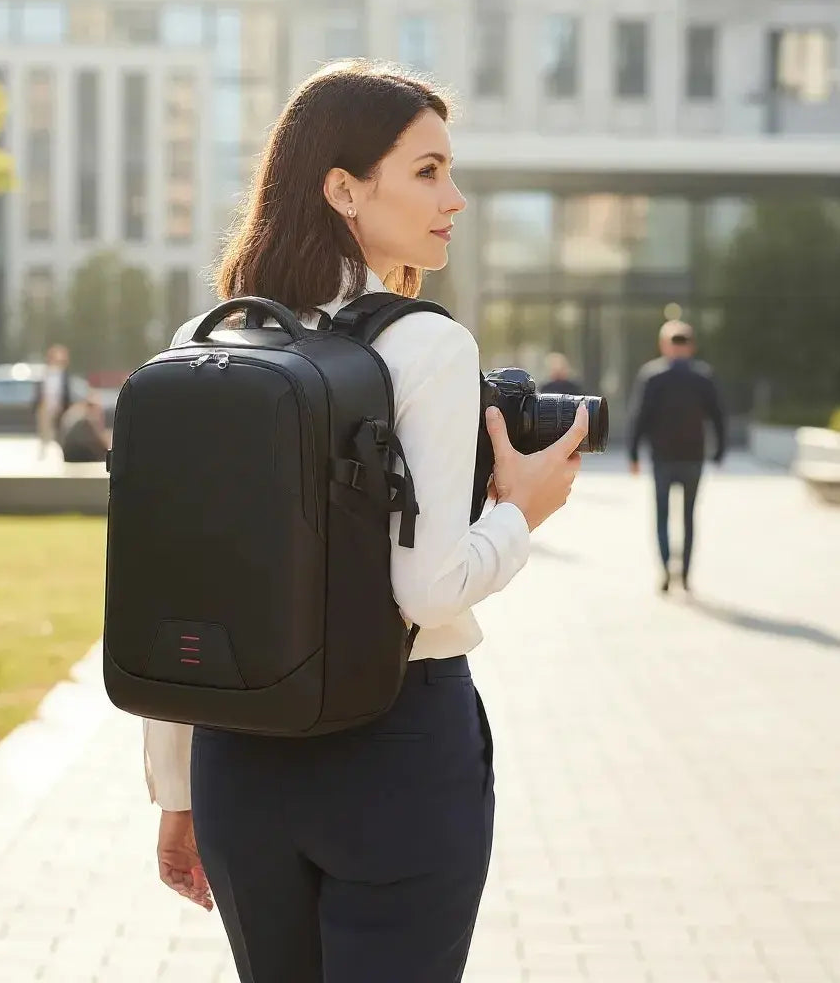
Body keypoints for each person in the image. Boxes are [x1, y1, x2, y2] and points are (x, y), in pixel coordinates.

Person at [143, 60, 588, 983]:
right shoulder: (424, 344)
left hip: (239, 759)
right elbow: (425, 588)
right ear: (342, 187)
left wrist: (177, 790)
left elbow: (184, 583)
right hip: (395, 750)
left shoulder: (207, 340)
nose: (454, 198)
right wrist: (519, 512)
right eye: (427, 171)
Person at [628, 320, 726, 593]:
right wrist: (719, 452)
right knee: (688, 517)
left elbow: (640, 417)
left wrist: (634, 454)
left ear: (663, 345)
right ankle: (684, 574)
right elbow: (718, 416)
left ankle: (665, 570)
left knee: (662, 515)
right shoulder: (703, 376)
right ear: (691, 346)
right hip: (693, 456)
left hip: (662, 457)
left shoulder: (652, 376)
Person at [31, 344, 71, 458]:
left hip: (59, 408)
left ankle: (58, 454)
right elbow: (39, 391)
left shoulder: (63, 375)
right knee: (44, 433)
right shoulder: (45, 373)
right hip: (44, 407)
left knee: (59, 433)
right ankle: (43, 454)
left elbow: (65, 393)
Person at [58, 392, 110, 463]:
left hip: (70, 460)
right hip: (82, 460)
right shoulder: (85, 422)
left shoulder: (74, 414)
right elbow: (103, 446)